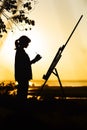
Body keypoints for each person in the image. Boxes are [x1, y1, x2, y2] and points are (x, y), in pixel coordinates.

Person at [14, 35, 42, 101]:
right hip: (23, 76)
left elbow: (25, 64)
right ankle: (21, 109)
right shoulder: (20, 51)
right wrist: (35, 59)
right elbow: (25, 64)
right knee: (22, 95)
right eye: (27, 43)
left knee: (21, 94)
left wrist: (35, 60)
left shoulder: (20, 51)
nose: (28, 44)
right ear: (24, 42)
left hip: (22, 76)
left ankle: (20, 108)